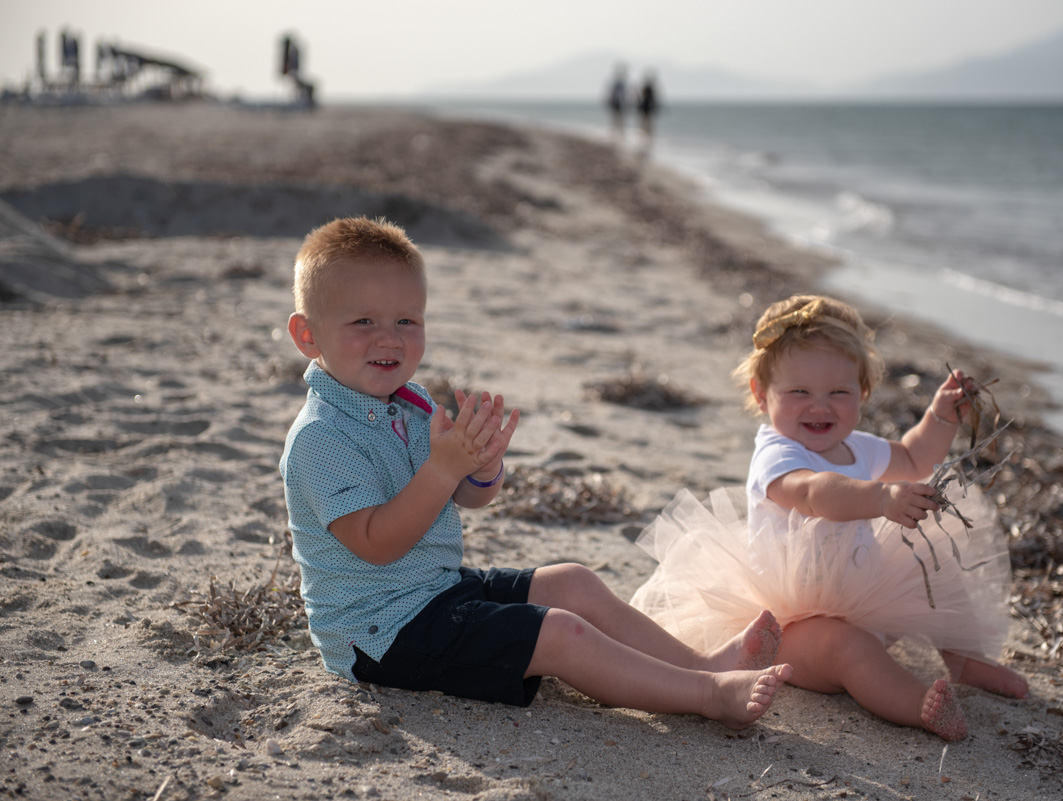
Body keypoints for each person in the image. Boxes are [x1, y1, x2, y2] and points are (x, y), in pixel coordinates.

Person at [279, 217, 791, 729]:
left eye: (407, 322)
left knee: (574, 583)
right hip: (382, 635)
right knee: (559, 634)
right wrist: (441, 470)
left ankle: (698, 665)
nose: (388, 339)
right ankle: (706, 694)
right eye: (363, 322)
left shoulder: (408, 402)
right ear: (308, 335)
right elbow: (376, 544)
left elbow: (468, 497)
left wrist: (480, 467)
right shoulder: (321, 436)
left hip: (435, 589)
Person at [631, 294, 1028, 741]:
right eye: (799, 392)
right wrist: (880, 499)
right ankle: (917, 705)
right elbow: (814, 492)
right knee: (849, 649)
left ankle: (964, 659)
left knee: (935, 561)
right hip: (793, 620)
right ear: (762, 395)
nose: (819, 406)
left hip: (867, 595)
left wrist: (939, 416)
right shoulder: (778, 454)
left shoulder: (857, 446)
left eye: (838, 393)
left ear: (862, 394)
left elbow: (915, 456)